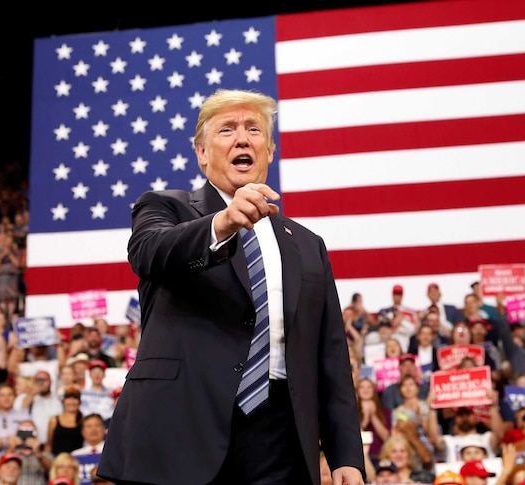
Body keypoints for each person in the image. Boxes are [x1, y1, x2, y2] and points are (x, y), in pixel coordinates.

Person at [97, 89, 364, 485]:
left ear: (269, 151)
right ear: (202, 153)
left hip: (281, 438)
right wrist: (221, 224)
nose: (242, 138)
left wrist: (346, 455)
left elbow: (331, 356)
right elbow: (149, 253)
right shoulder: (165, 207)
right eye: (227, 130)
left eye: (254, 129)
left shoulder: (308, 245)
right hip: (179, 428)